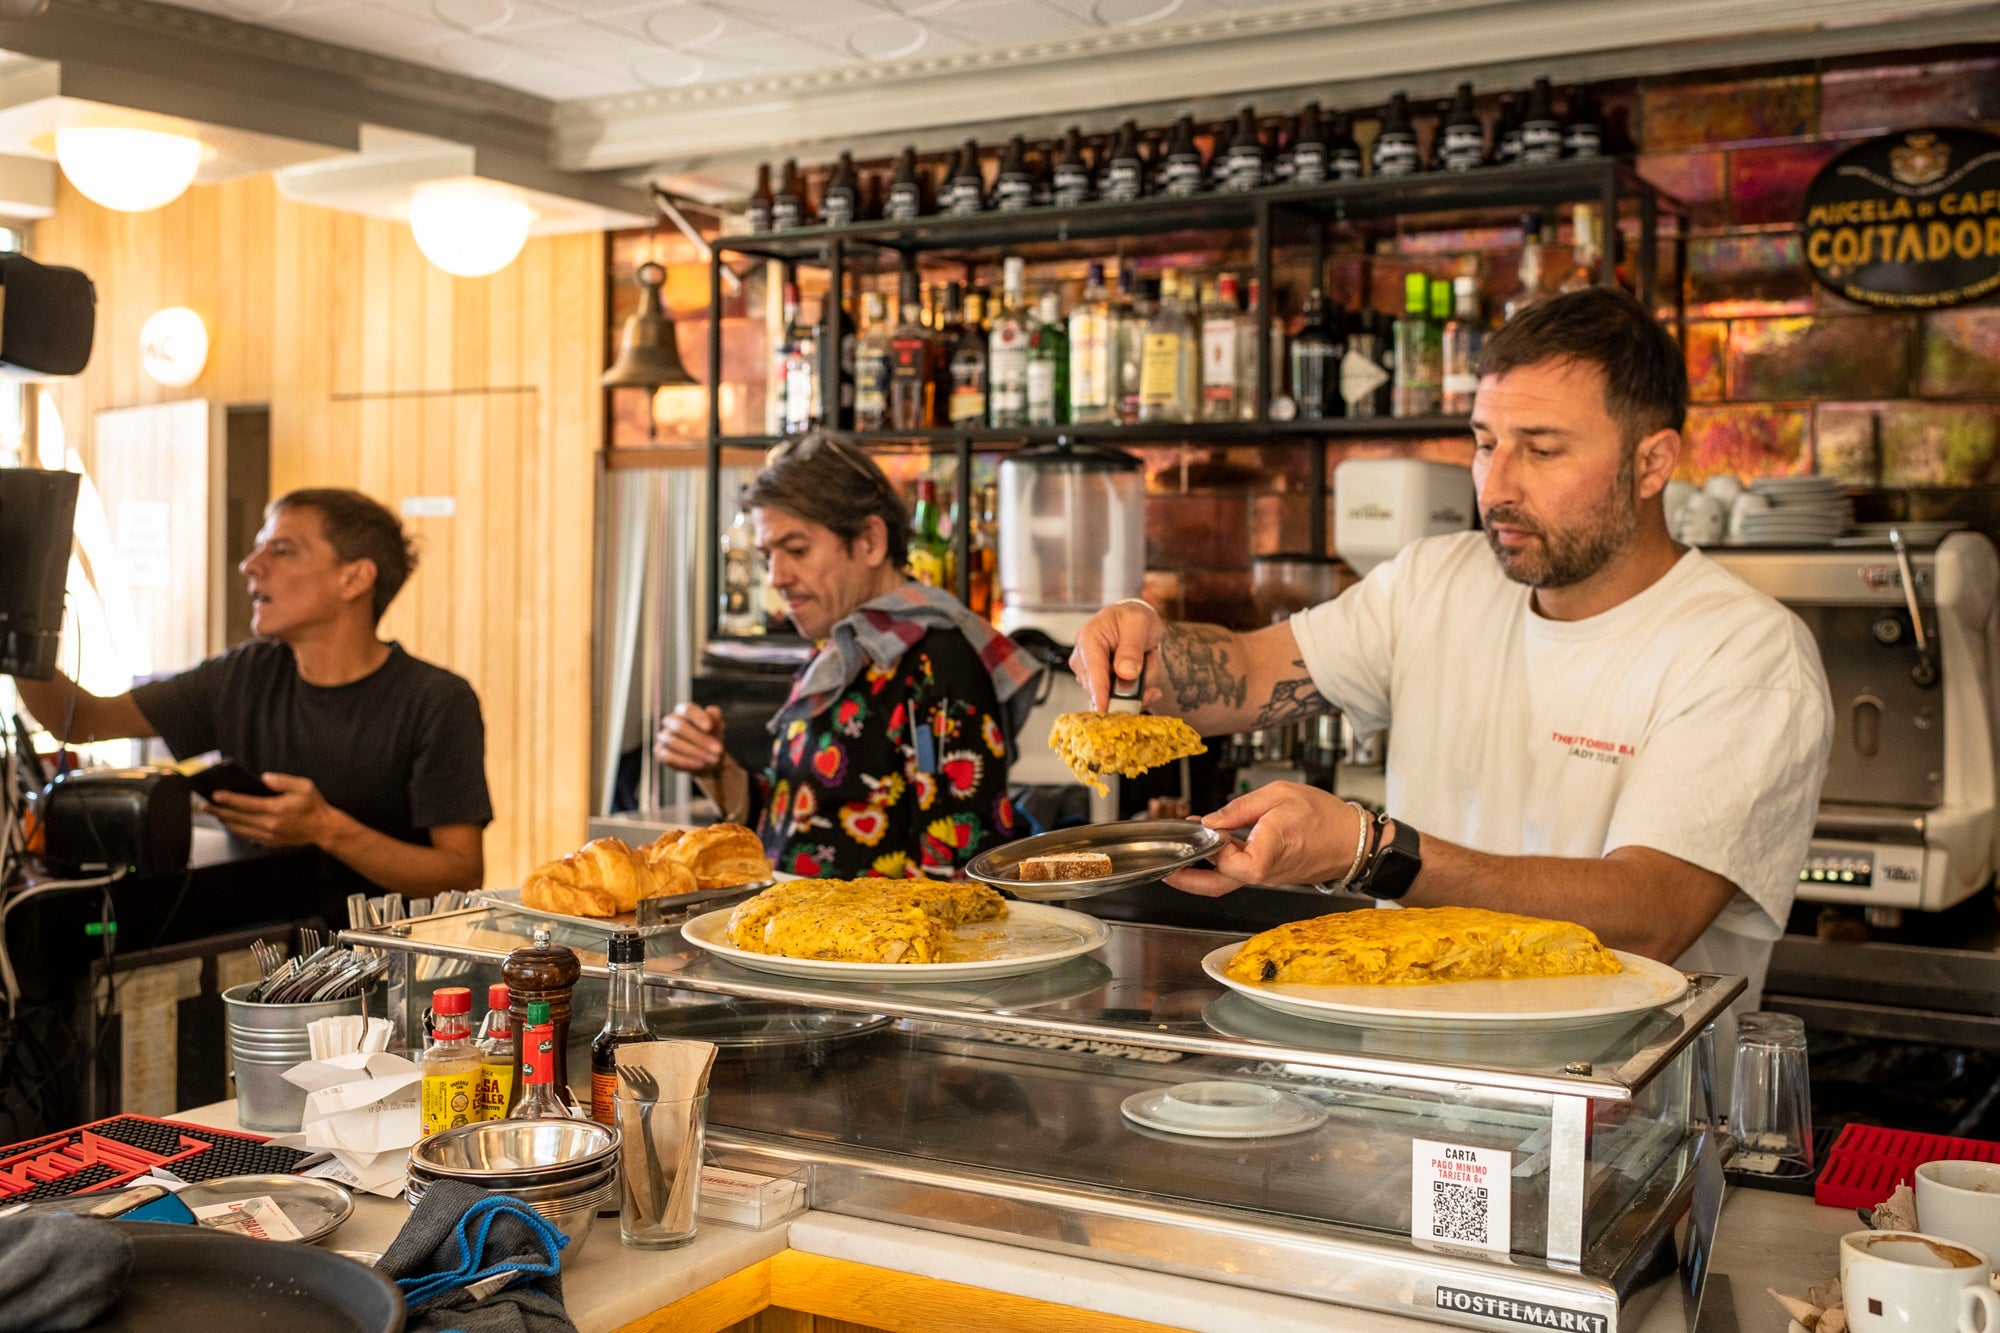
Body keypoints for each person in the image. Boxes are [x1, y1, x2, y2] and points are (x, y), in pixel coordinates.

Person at [1071, 287, 1833, 1014]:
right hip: (1406, 1086)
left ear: (1652, 463)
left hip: (1624, 1114)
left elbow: (1648, 915)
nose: (1495, 485)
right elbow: (1240, 675)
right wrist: (1145, 640)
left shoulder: (1746, 653)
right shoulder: (1437, 582)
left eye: (1541, 450)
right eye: (1485, 442)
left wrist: (1372, 851)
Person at [16, 488, 490, 899]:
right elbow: (76, 719)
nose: (249, 565)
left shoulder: (436, 701)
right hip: (255, 953)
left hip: (381, 974)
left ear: (355, 578)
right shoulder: (244, 673)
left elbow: (460, 873)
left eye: (282, 551)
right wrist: (15, 621)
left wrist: (326, 829)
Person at [655, 433, 1042, 878]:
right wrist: (716, 768)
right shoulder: (838, 648)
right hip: (790, 937)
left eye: (797, 550)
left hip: (876, 946)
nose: (777, 577)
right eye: (767, 556)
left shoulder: (938, 660)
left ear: (871, 541)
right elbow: (799, 820)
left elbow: (967, 871)